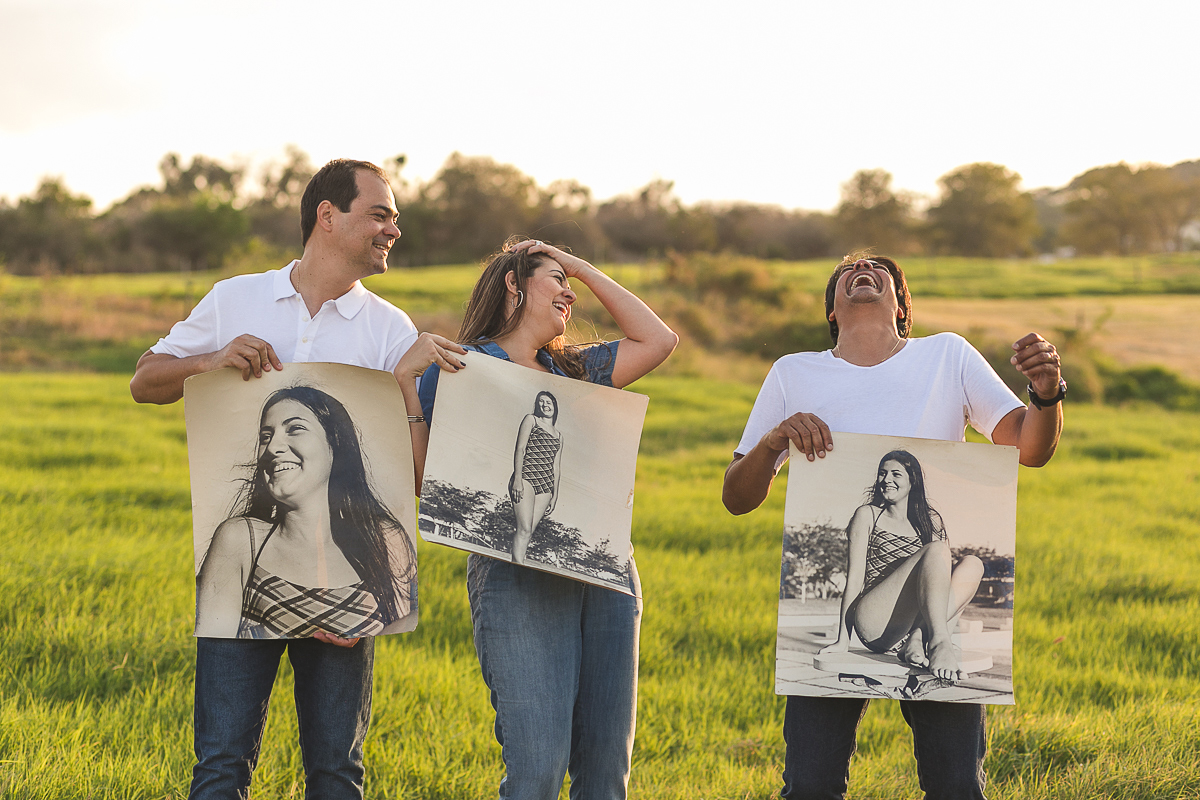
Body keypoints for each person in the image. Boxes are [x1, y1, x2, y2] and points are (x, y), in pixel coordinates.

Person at [130, 159, 464, 800]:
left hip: (345, 582)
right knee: (221, 767)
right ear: (328, 215)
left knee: (336, 774)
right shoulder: (236, 299)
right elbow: (146, 382)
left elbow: (414, 479)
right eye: (381, 213)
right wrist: (212, 360)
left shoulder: (390, 329)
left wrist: (408, 386)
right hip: (241, 574)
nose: (394, 228)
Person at [722, 254, 1064, 800]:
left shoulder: (947, 355)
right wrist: (771, 443)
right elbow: (737, 497)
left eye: (879, 269)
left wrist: (1046, 394)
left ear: (902, 306)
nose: (862, 268)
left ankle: (927, 644)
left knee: (955, 786)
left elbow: (1029, 447)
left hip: (922, 611)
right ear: (832, 310)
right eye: (848, 270)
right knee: (811, 786)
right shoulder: (794, 371)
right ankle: (938, 644)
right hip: (871, 616)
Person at [404, 237, 677, 800]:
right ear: (514, 283)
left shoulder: (577, 370)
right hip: (515, 573)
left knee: (605, 776)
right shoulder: (462, 366)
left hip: (606, 576)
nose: (568, 293)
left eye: (569, 282)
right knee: (536, 774)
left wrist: (575, 264)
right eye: (556, 279)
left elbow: (658, 339)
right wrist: (407, 385)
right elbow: (426, 482)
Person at [197, 386, 415, 640]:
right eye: (266, 436)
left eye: (295, 429)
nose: (272, 448)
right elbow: (220, 664)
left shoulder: (384, 538)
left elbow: (402, 639)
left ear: (335, 444)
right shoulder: (240, 540)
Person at [818, 449, 983, 682]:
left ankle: (918, 637)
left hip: (910, 622)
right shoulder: (868, 515)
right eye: (882, 474)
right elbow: (854, 579)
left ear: (912, 481)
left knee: (972, 564)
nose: (887, 480)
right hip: (875, 621)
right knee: (936, 550)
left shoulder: (930, 521)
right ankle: (939, 641)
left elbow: (941, 584)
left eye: (896, 474)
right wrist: (842, 640)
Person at [509, 390, 562, 564]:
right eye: (541, 402)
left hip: (546, 485)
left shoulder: (559, 436)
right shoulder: (531, 420)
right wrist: (517, 479)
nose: (545, 405)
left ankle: (519, 564)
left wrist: (554, 496)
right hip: (526, 477)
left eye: (548, 402)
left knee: (529, 531)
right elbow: (520, 449)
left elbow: (556, 467)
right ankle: (517, 568)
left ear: (554, 405)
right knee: (523, 529)